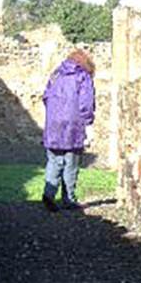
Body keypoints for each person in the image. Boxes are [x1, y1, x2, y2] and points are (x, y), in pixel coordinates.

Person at [41, 48, 96, 211]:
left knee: (54, 160)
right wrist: (88, 123)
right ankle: (69, 199)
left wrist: (54, 114)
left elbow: (45, 96)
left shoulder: (56, 74)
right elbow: (86, 103)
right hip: (74, 125)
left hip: (53, 124)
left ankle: (48, 194)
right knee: (71, 163)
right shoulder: (82, 76)